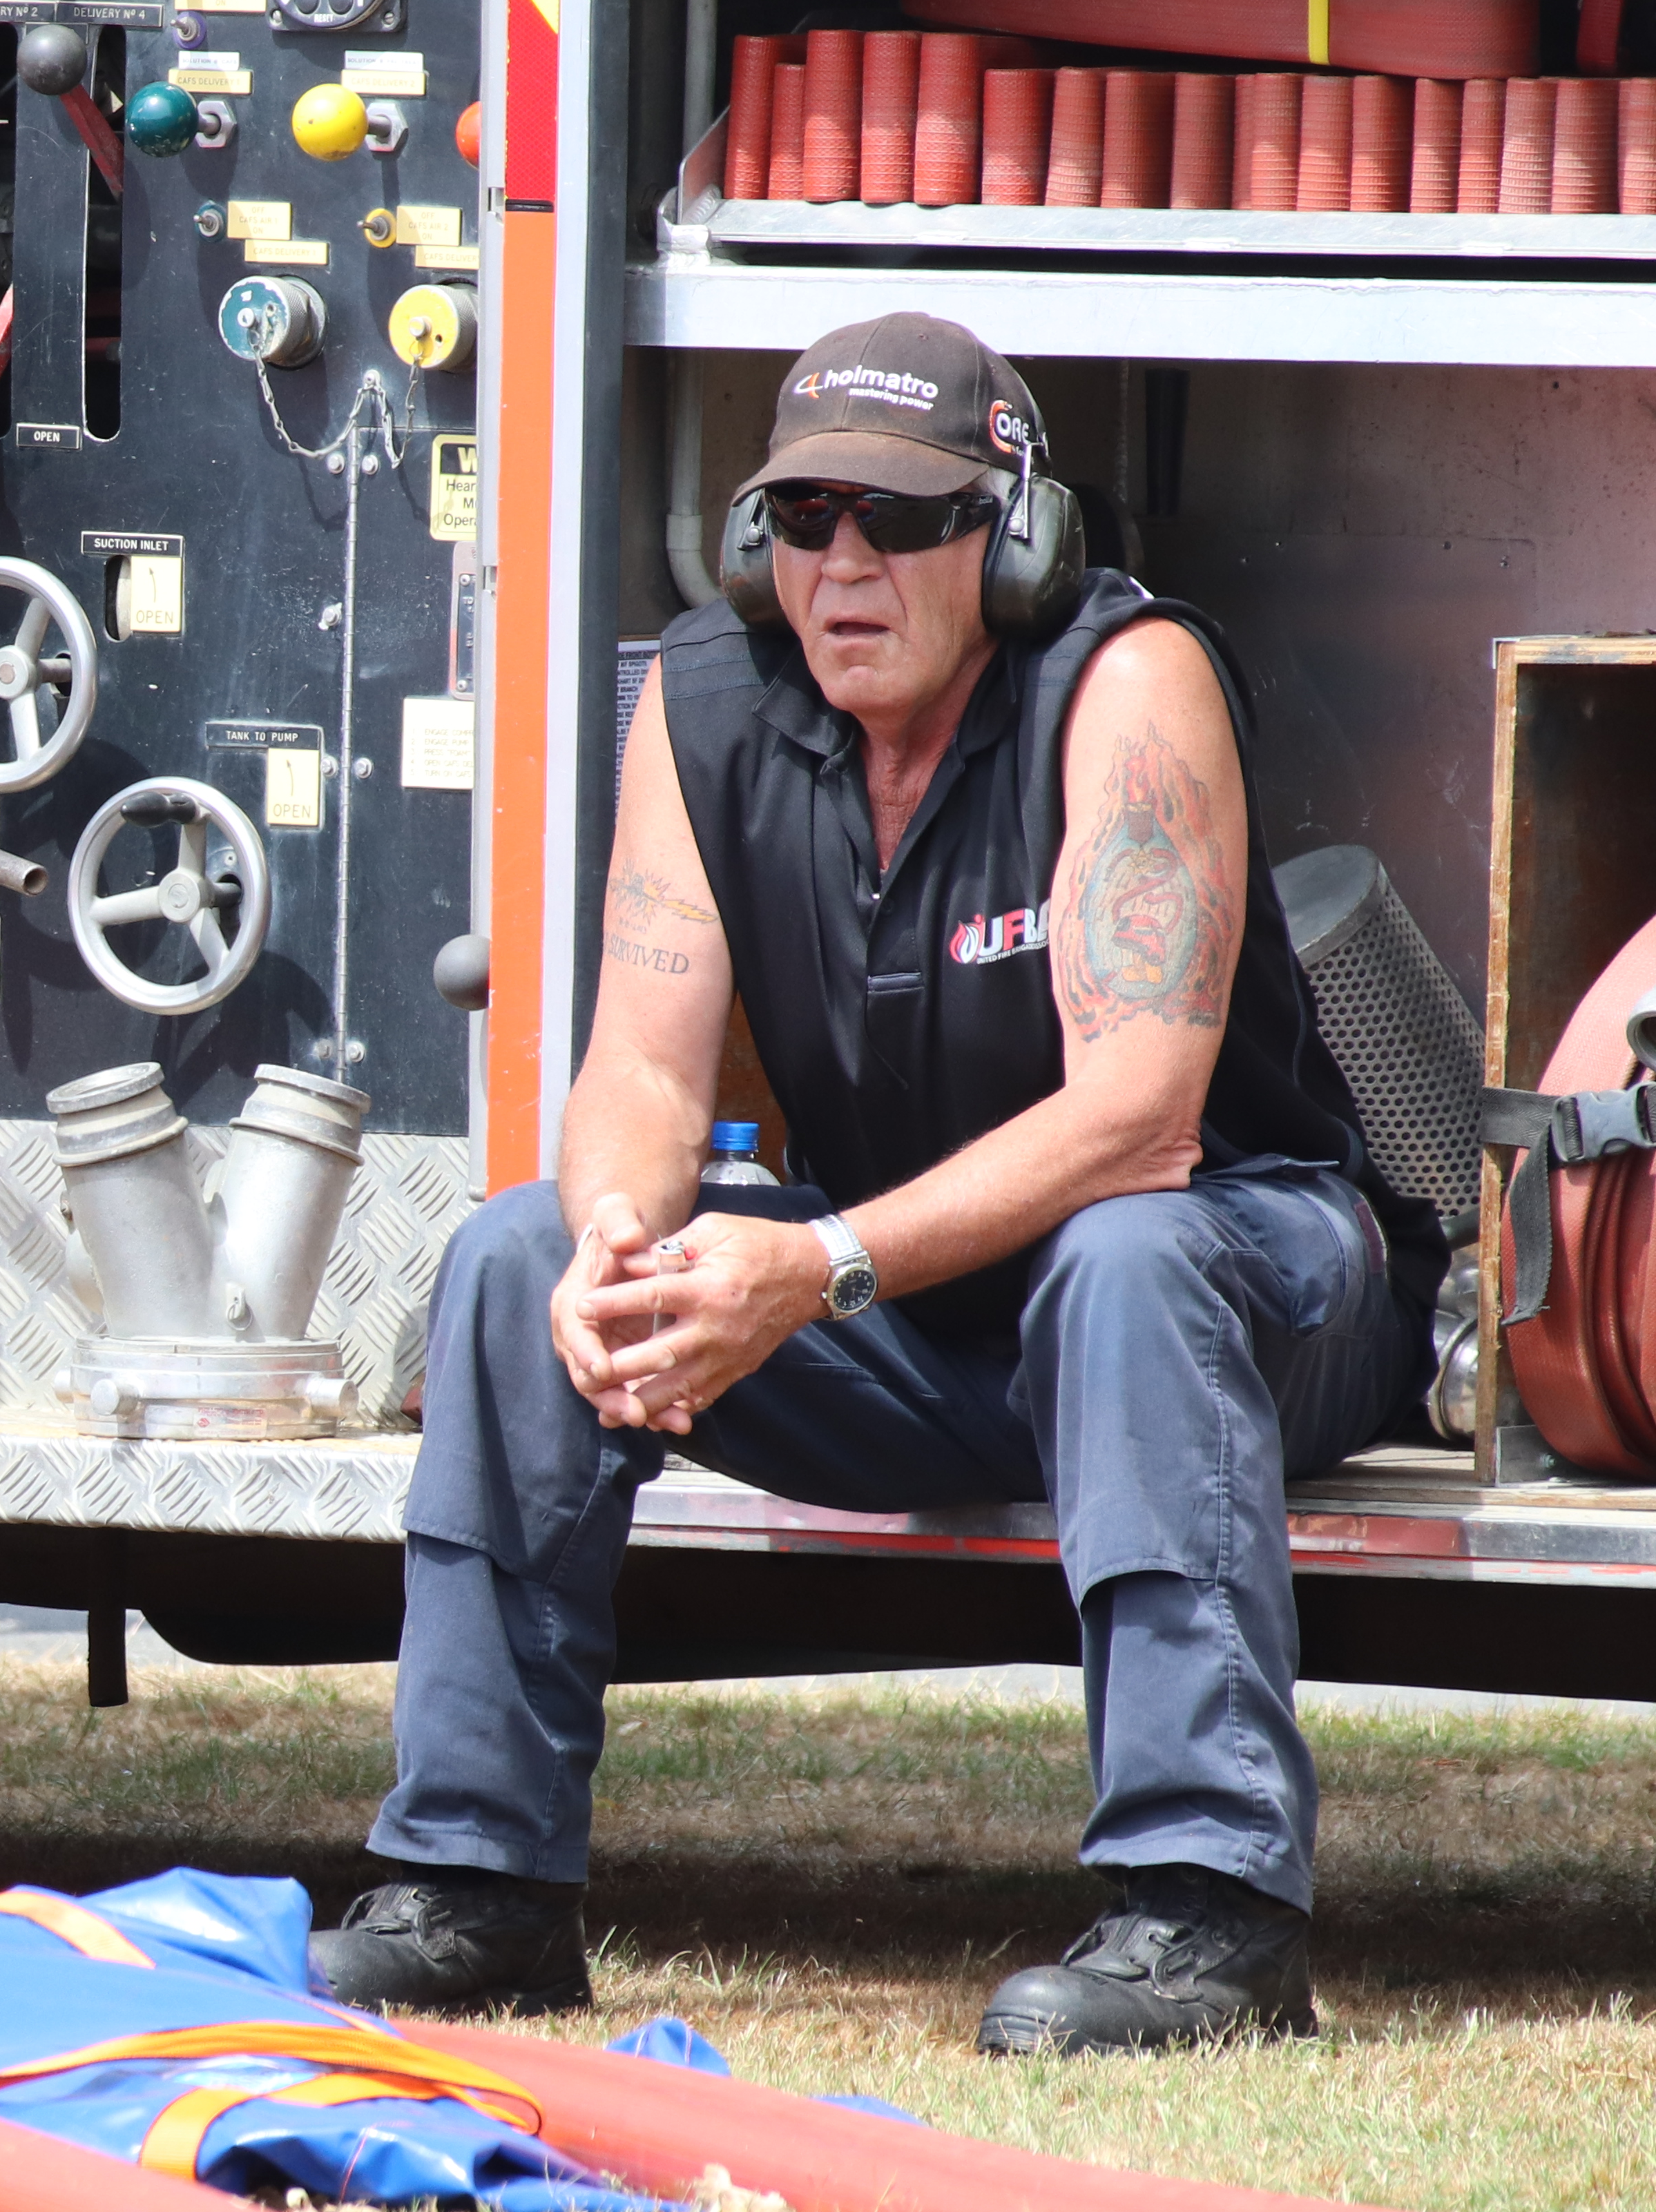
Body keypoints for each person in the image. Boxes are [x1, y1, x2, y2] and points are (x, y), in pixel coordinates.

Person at [309, 314, 1441, 2053]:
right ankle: (478, 1886)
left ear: (1016, 534)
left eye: (900, 518)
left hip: (1243, 1270)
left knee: (1126, 1258)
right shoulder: (703, 705)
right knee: (512, 1252)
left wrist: (813, 1265)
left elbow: (1142, 1115)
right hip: (917, 1303)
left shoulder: (1126, 683)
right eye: (804, 516)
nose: (843, 562)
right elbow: (637, 1070)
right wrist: (620, 1244)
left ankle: (1209, 1915)